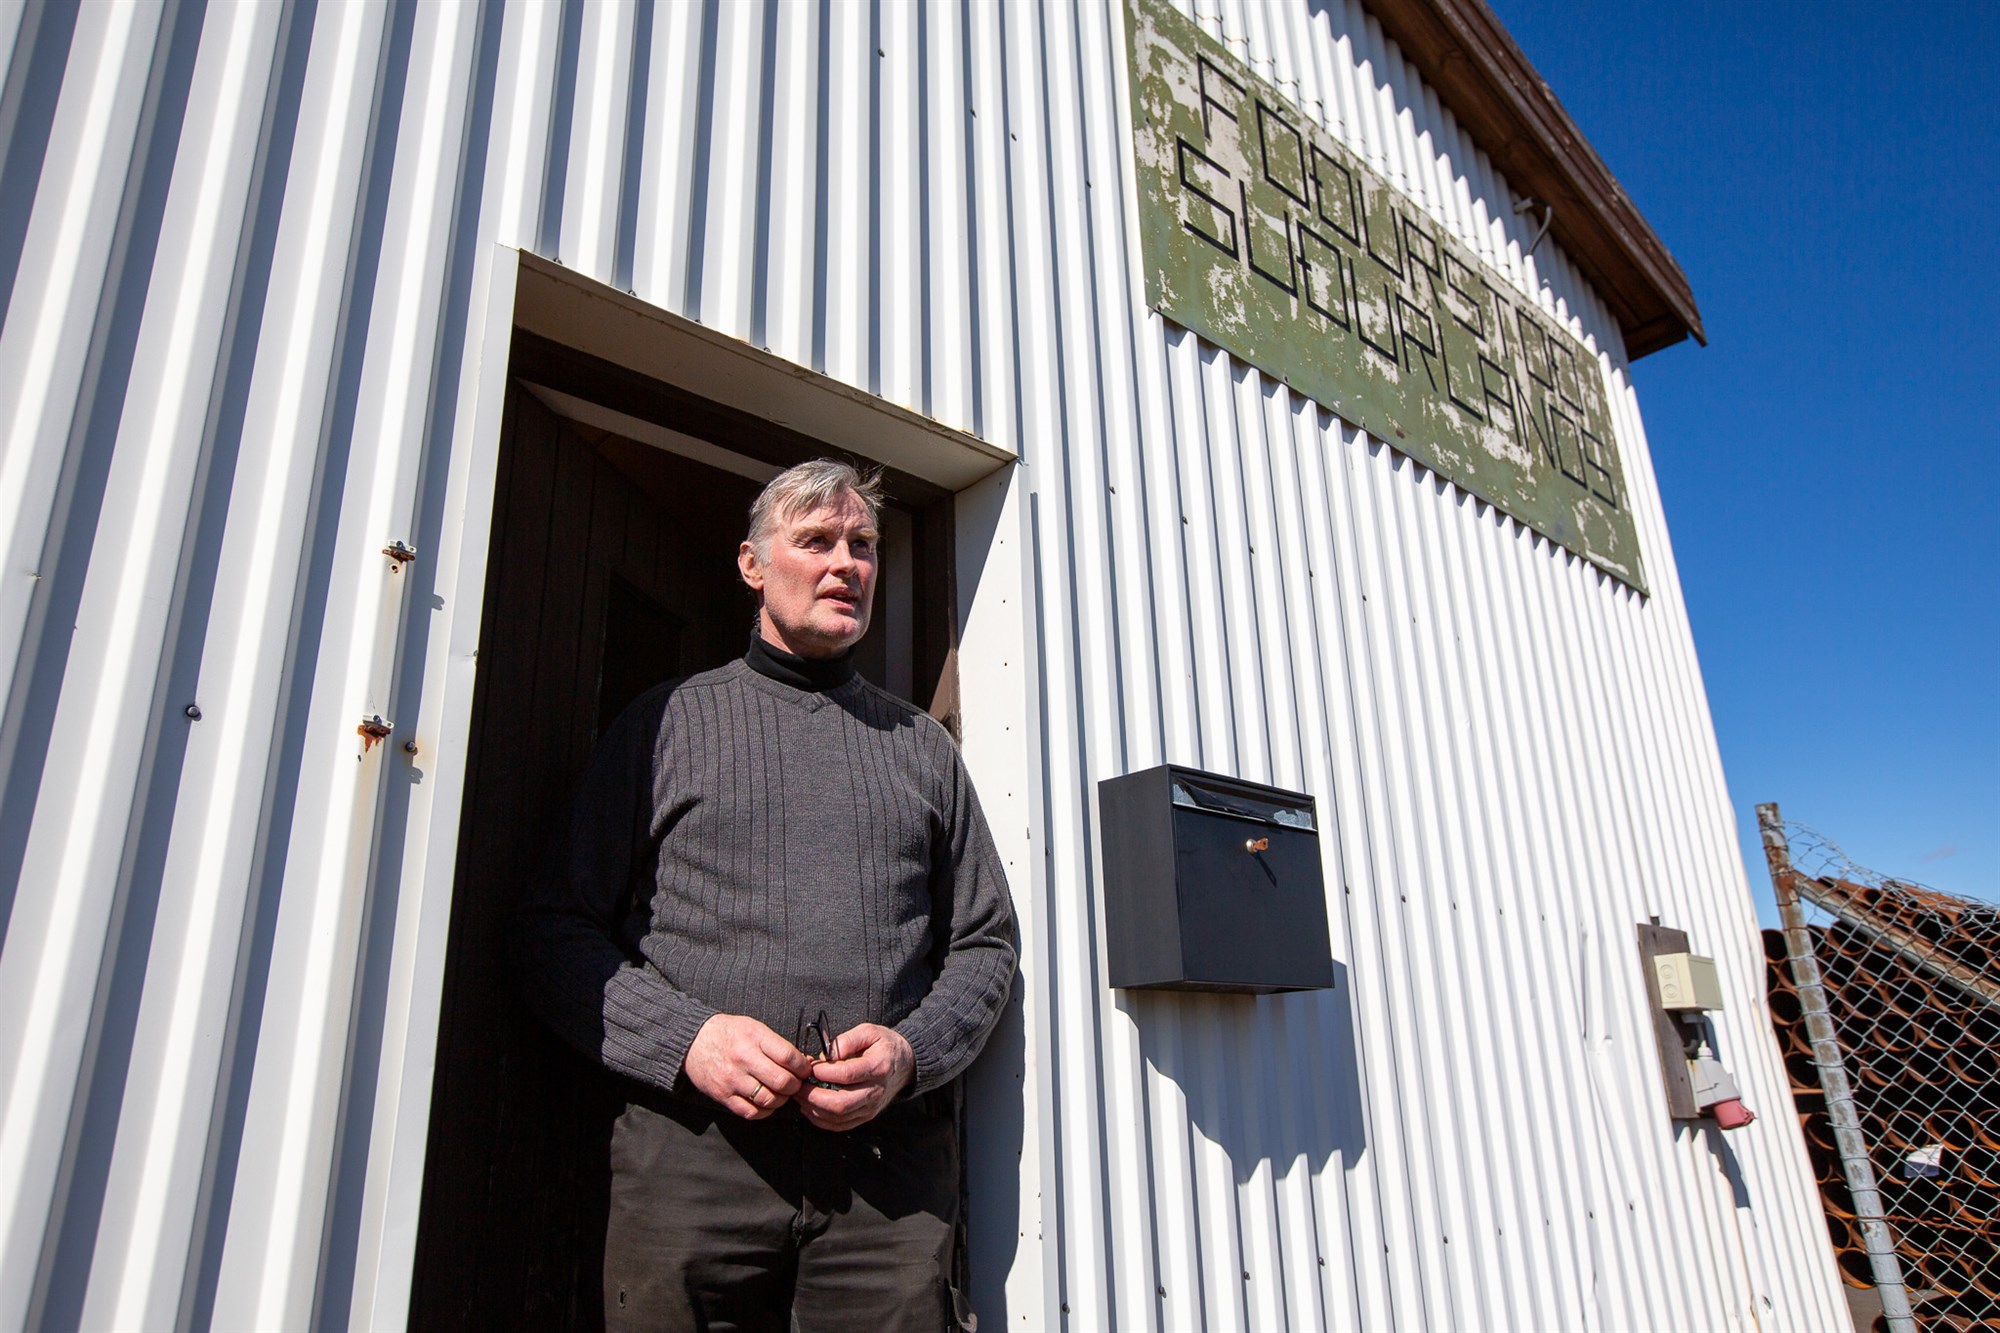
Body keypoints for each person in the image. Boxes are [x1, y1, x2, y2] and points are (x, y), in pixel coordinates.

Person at [514, 458, 1016, 1333]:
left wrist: (909, 1055)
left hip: (886, 1183)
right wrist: (688, 1039)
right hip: (693, 1163)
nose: (846, 563)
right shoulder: (666, 723)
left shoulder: (923, 749)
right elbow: (551, 932)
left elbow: (986, 943)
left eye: (863, 544)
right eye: (815, 540)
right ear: (752, 564)